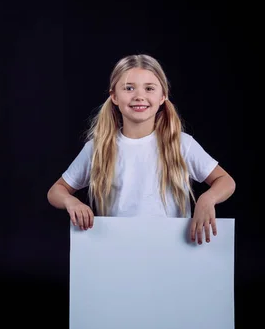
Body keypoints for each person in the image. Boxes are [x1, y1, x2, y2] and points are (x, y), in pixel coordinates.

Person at [47, 54, 235, 244]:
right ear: (114, 96)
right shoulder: (98, 147)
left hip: (172, 249)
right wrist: (72, 202)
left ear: (163, 96)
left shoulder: (180, 144)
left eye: (149, 88)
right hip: (117, 248)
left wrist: (207, 199)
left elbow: (225, 181)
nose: (139, 96)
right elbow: (56, 191)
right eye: (129, 88)